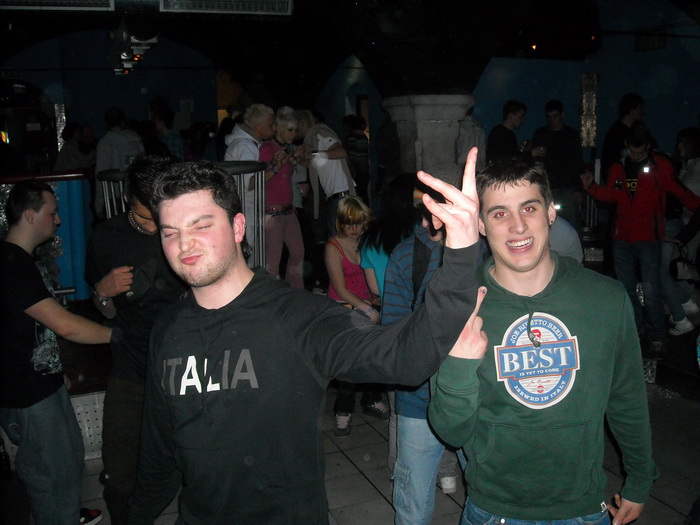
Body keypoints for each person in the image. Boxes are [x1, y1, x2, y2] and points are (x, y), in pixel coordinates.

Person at [127, 149, 483, 524]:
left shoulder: (298, 317)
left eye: (201, 226)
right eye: (171, 233)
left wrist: (460, 253)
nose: (185, 245)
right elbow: (157, 451)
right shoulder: (168, 329)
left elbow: (405, 358)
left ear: (237, 227)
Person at [429, 156, 659, 525]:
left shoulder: (605, 299)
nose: (518, 226)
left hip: (583, 507)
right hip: (494, 510)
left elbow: (626, 396)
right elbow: (451, 432)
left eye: (529, 208)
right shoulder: (460, 305)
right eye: (500, 213)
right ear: (481, 225)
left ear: (551, 213)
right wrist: (459, 365)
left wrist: (640, 477)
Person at [0, 180, 112, 525]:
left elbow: (26, 330)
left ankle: (65, 515)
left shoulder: (22, 261)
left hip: (41, 381)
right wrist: (120, 336)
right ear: (30, 215)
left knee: (67, 462)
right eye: (53, 212)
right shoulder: (12, 264)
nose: (59, 219)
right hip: (27, 393)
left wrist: (52, 370)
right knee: (51, 476)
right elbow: (65, 325)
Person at [85, 156, 186, 525]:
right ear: (129, 197)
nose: (155, 227)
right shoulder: (107, 237)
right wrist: (103, 293)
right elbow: (107, 312)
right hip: (131, 365)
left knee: (195, 462)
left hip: (185, 365)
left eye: (160, 216)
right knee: (120, 470)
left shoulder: (184, 228)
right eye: (146, 218)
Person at [383, 183, 463, 524]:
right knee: (412, 503)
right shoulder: (406, 256)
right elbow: (394, 329)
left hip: (476, 393)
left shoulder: (486, 253)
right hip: (419, 396)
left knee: (490, 496)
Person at [582, 121, 700, 353]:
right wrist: (591, 186)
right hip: (622, 238)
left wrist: (694, 212)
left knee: (651, 290)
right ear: (627, 145)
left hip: (648, 238)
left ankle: (658, 337)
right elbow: (610, 195)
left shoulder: (660, 166)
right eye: (632, 151)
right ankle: (636, 331)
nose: (636, 156)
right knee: (626, 289)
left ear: (648, 147)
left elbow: (683, 193)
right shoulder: (618, 167)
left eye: (641, 152)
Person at [359, 173, 419, 470]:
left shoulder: (372, 237)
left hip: (391, 323)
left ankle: (399, 467)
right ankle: (444, 473)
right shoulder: (422, 231)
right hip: (422, 318)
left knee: (398, 408)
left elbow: (373, 288)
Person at [325, 197, 389, 435]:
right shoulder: (333, 247)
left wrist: (375, 301)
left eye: (359, 223)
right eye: (349, 223)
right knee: (349, 360)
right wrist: (367, 308)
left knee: (374, 355)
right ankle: (343, 409)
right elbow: (340, 288)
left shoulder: (367, 240)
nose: (354, 228)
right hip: (343, 305)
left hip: (367, 302)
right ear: (340, 222)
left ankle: (372, 399)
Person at [258, 107, 305, 289]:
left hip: (288, 210)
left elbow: (285, 176)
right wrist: (277, 164)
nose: (293, 134)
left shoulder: (285, 149)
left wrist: (293, 159)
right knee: (273, 262)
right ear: (277, 128)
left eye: (295, 130)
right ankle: (272, 297)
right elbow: (260, 178)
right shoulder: (267, 148)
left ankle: (295, 293)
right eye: (289, 130)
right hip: (272, 212)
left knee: (298, 253)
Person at [224, 103, 276, 253]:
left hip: (245, 208)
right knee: (250, 253)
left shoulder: (246, 144)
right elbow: (250, 183)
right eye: (270, 124)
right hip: (246, 210)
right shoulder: (245, 146)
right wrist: (275, 169)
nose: (274, 128)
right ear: (258, 126)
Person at [297, 109, 357, 237]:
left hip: (342, 197)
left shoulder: (320, 132)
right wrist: (300, 158)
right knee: (340, 241)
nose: (295, 132)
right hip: (336, 198)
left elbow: (341, 151)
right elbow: (316, 164)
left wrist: (313, 153)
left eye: (295, 127)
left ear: (302, 123)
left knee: (337, 242)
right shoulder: (312, 140)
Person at [530, 99, 585, 233]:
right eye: (549, 117)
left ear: (562, 115)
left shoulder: (571, 135)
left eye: (555, 116)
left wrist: (579, 189)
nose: (552, 120)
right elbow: (535, 163)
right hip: (548, 186)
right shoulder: (541, 134)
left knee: (572, 225)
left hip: (568, 186)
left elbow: (578, 162)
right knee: (546, 225)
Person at [95, 107, 145, 220]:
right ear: (123, 121)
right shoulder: (136, 140)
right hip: (135, 194)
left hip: (113, 196)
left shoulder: (105, 143)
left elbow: (100, 175)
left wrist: (99, 205)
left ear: (106, 123)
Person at [600, 93, 645, 184]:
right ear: (631, 111)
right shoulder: (616, 133)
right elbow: (615, 156)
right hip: (620, 180)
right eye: (639, 109)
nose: (642, 112)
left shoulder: (635, 129)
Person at [486, 100, 527, 164]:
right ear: (511, 115)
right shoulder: (499, 133)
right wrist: (530, 154)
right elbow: (507, 158)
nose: (522, 120)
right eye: (520, 116)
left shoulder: (506, 133)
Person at [456, 96, 486, 173]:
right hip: (478, 169)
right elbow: (483, 154)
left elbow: (455, 152)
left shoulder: (459, 128)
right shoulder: (479, 128)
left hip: (461, 170)